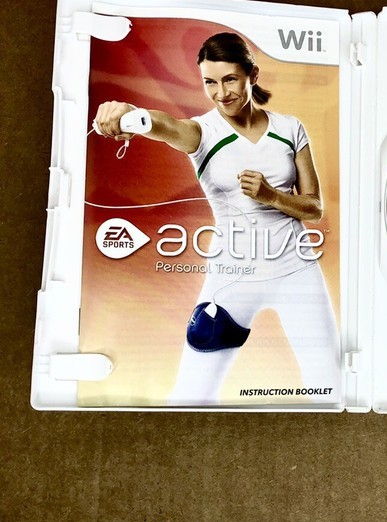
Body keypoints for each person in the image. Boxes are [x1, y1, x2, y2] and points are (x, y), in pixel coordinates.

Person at [94, 31, 340, 405]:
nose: (221, 93)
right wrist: (129, 113)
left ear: (252, 75)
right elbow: (166, 125)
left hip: (297, 271)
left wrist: (271, 196)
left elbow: (315, 207)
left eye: (230, 79)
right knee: (191, 395)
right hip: (232, 277)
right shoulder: (203, 132)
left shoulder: (290, 129)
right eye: (210, 82)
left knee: (329, 385)